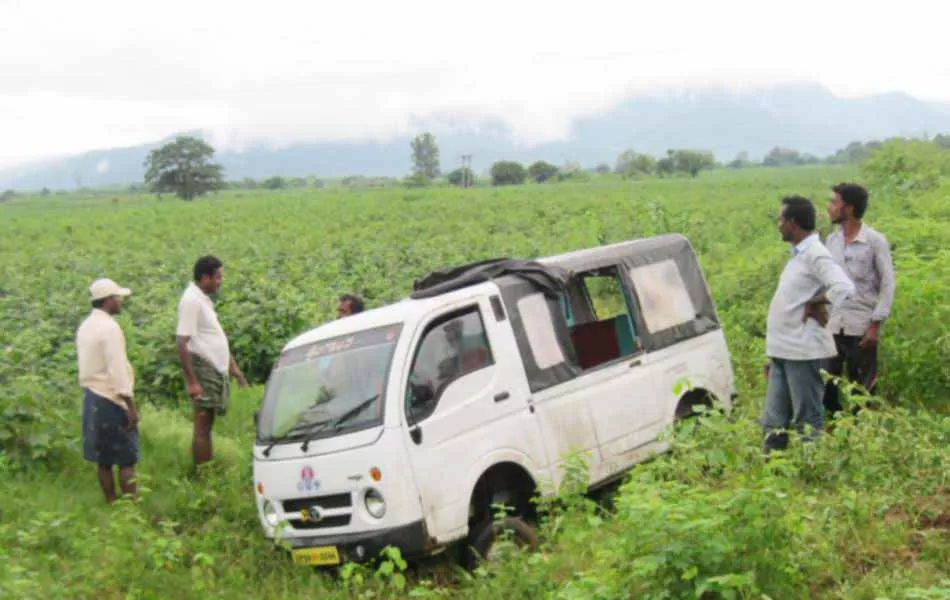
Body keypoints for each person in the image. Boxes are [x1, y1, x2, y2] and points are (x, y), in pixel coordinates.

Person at [762, 196, 855, 453]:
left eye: (781, 219)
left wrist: (818, 302)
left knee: (807, 419)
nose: (778, 224)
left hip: (804, 351)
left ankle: (812, 470)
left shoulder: (815, 254)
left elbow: (844, 288)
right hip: (783, 350)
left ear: (792, 223)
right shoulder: (798, 256)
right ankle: (774, 477)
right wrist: (772, 355)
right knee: (773, 421)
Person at [822, 183, 896, 414]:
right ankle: (834, 432)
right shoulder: (831, 242)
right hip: (834, 324)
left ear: (849, 208)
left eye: (834, 202)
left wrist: (875, 325)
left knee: (863, 391)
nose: (829, 208)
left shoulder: (874, 241)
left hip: (862, 325)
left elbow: (887, 283)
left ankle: (863, 433)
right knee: (828, 387)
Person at [176, 256, 248, 468]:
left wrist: (236, 373)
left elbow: (214, 338)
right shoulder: (191, 300)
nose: (220, 282)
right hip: (203, 369)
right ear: (204, 277)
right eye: (217, 277)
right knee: (203, 425)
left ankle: (206, 469)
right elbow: (181, 342)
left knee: (207, 424)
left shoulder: (202, 299)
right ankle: (204, 473)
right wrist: (192, 382)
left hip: (212, 369)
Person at [76, 278, 139, 503]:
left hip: (91, 396)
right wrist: (130, 406)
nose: (121, 301)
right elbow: (118, 370)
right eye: (117, 297)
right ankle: (132, 507)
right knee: (126, 459)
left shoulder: (85, 326)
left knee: (103, 460)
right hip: (111, 399)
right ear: (108, 301)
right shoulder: (110, 328)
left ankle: (111, 502)